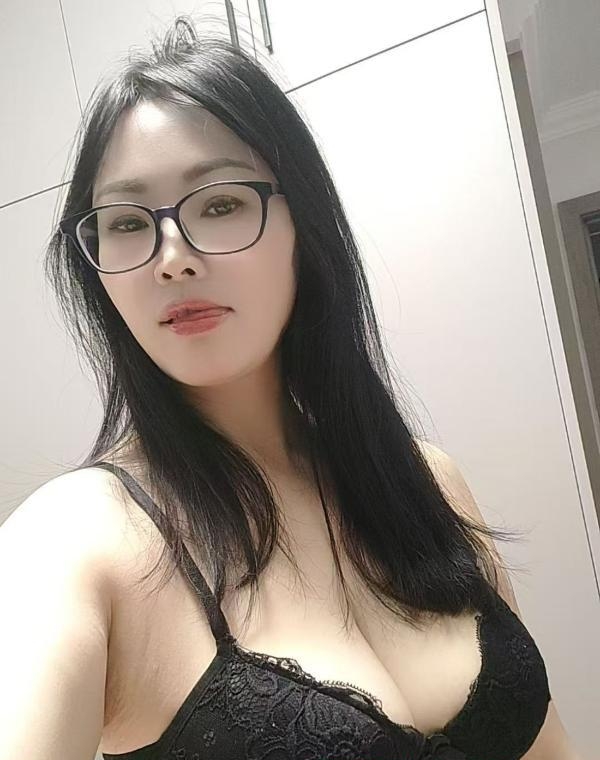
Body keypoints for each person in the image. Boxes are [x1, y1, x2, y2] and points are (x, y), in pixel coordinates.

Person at [0, 15, 582, 760]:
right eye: (125, 222)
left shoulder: (426, 481)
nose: (171, 258)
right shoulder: (76, 540)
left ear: (302, 225)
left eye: (219, 205)